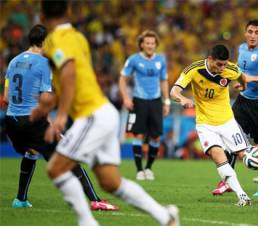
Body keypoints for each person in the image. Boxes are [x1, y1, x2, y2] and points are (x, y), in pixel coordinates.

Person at [38, 1, 179, 226]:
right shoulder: (78, 37)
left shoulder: (55, 40)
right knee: (111, 182)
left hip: (92, 114)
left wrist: (61, 115)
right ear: (69, 12)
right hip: (104, 112)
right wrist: (51, 102)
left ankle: (87, 222)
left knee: (55, 169)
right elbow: (77, 78)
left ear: (42, 15)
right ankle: (166, 217)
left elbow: (70, 74)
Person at [170, 44, 258, 206]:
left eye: (224, 64)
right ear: (210, 59)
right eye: (219, 64)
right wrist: (183, 99)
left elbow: (242, 77)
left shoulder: (231, 69)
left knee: (247, 158)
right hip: (205, 124)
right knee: (218, 156)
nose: (222, 68)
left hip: (227, 122)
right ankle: (242, 196)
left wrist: (243, 86)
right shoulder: (194, 69)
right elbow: (174, 91)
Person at [3, 24, 117, 211]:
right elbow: (46, 99)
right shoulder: (44, 63)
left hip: (11, 121)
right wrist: (49, 125)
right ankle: (96, 200)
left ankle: (20, 199)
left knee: (31, 152)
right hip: (32, 121)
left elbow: (6, 98)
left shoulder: (13, 61)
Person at [212, 20, 258, 197]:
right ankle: (227, 181)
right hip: (243, 101)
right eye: (250, 32)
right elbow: (242, 73)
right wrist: (242, 85)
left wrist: (251, 79)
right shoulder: (241, 49)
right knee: (230, 137)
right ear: (245, 33)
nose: (253, 35)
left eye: (257, 32)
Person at [119, 30, 170, 181]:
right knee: (138, 134)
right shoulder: (133, 60)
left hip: (155, 101)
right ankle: (139, 170)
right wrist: (126, 98)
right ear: (141, 44)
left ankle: (148, 168)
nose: (149, 46)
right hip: (138, 100)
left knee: (156, 137)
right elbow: (122, 79)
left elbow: (164, 81)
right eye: (147, 43)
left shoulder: (161, 60)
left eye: (152, 43)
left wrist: (166, 101)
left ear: (156, 45)